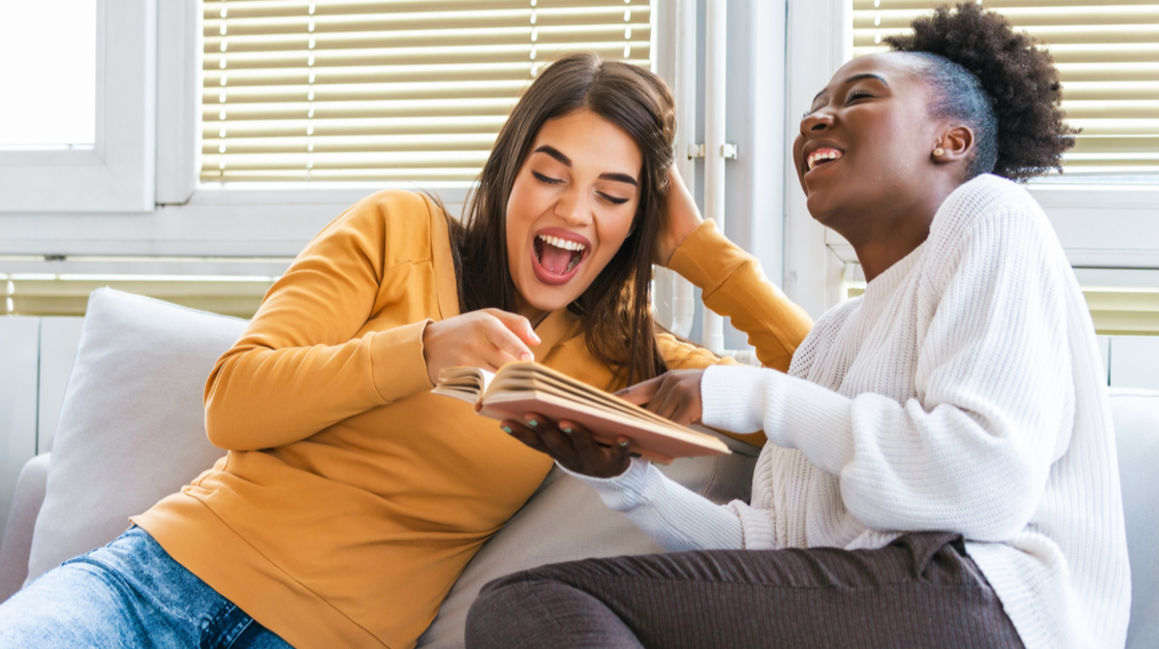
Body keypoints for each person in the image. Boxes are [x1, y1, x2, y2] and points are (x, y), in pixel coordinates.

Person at [0, 53, 812, 649]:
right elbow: (234, 401)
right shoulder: (399, 230)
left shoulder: (625, 356)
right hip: (150, 584)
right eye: (550, 174)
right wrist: (423, 349)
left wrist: (707, 253)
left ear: (638, 224)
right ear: (507, 175)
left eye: (612, 194)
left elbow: (831, 403)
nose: (574, 211)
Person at [471, 5, 1131, 649]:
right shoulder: (832, 338)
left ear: (950, 140)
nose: (818, 116)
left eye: (859, 96)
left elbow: (978, 487)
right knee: (523, 607)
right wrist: (624, 480)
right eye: (815, 104)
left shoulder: (989, 214)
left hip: (990, 601)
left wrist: (747, 391)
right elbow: (775, 551)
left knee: (530, 606)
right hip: (881, 597)